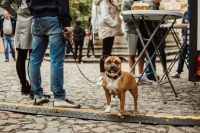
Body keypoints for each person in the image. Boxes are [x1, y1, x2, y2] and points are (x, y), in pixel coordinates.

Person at [27, 0, 80, 108]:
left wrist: (34, 10)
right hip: (53, 18)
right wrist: (66, 22)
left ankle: (37, 95)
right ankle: (59, 97)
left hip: (36, 19)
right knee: (56, 58)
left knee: (35, 57)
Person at [2, 0, 34, 98]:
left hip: (22, 23)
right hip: (35, 21)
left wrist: (17, 15)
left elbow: (4, 3)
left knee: (21, 56)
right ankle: (34, 89)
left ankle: (24, 86)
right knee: (34, 57)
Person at [121, 0, 153, 85]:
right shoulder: (126, 2)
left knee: (142, 53)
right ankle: (133, 76)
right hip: (131, 31)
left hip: (142, 30)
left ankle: (141, 75)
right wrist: (139, 16)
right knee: (132, 54)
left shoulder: (142, 2)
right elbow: (125, 18)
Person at [94, 0, 122, 85]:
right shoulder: (104, 2)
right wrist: (114, 23)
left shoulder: (110, 2)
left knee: (108, 53)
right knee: (105, 54)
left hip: (110, 29)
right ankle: (101, 76)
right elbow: (105, 16)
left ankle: (106, 75)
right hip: (107, 29)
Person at [145, 0, 167, 81]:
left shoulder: (151, 4)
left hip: (153, 33)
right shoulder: (152, 5)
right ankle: (150, 73)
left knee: (151, 53)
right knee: (151, 54)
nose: (160, 0)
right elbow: (152, 20)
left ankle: (151, 73)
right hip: (153, 33)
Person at [171, 8, 189, 78]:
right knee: (181, 54)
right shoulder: (186, 12)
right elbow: (183, 24)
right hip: (186, 38)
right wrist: (182, 34)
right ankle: (178, 71)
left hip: (193, 38)